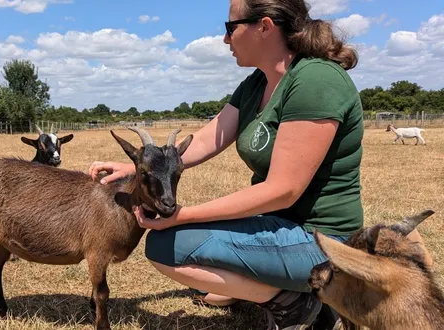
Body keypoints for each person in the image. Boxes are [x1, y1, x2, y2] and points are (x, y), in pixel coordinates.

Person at [88, 0, 429, 329]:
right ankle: (282, 290)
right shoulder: (258, 83)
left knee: (166, 245)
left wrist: (183, 215)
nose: (225, 39)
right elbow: (209, 139)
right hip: (278, 225)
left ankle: (297, 301)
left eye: (230, 27)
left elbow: (283, 190)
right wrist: (137, 167)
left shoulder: (315, 81)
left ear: (264, 27)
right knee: (179, 246)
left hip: (322, 240)